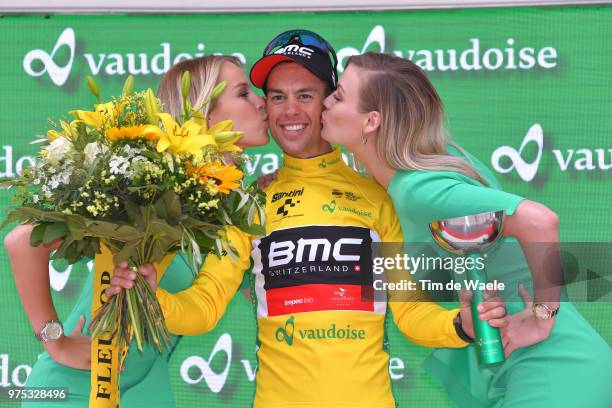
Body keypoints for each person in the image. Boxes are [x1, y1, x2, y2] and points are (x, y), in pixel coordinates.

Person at [109, 30, 506, 407]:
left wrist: (462, 326)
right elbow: (205, 305)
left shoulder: (378, 198)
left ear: (329, 103)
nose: (290, 111)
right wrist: (154, 301)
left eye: (305, 95)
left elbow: (410, 312)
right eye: (277, 97)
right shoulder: (251, 204)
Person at [320, 51, 612, 407]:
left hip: (552, 366)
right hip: (521, 368)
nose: (326, 102)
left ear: (371, 122)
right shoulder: (422, 171)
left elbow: (539, 220)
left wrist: (543, 315)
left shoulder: (418, 190)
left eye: (338, 96)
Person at [3, 55, 269, 407]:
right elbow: (22, 240)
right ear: (205, 113)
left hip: (142, 392)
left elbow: (260, 293)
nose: (262, 101)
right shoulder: (148, 183)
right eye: (243, 93)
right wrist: (56, 341)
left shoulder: (234, 212)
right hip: (71, 391)